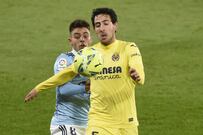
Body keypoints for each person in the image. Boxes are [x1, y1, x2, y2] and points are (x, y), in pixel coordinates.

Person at [25, 7, 145, 135]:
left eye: (106, 23)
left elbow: (137, 67)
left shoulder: (128, 48)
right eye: (98, 25)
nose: (102, 28)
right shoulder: (89, 54)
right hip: (98, 121)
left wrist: (138, 76)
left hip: (127, 121)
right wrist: (39, 87)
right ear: (95, 30)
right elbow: (67, 73)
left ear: (115, 25)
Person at [25, 19, 92, 135]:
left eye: (85, 36)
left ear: (90, 39)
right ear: (70, 41)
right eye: (77, 36)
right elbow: (63, 90)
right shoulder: (64, 60)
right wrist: (85, 88)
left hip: (89, 123)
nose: (82, 39)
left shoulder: (96, 61)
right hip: (65, 123)